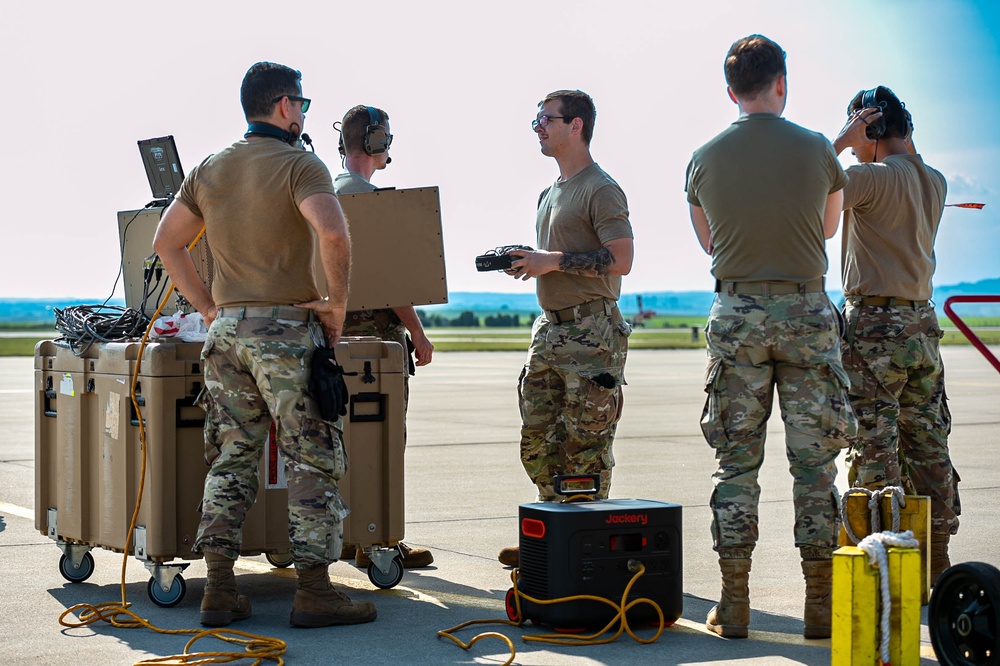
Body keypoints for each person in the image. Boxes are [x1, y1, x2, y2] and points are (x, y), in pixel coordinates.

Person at [152, 61, 376, 628]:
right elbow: (332, 231)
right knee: (311, 457)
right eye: (302, 104)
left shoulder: (211, 167)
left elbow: (165, 242)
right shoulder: (301, 164)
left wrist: (208, 308)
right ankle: (315, 591)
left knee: (232, 458)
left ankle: (220, 590)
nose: (303, 114)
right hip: (284, 333)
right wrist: (337, 304)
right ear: (284, 105)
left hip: (226, 333)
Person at [684, 35, 857, 639]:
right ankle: (819, 606)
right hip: (807, 312)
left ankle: (733, 606)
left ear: (731, 90)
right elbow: (830, 226)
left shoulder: (703, 158)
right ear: (781, 82)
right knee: (815, 469)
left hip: (736, 315)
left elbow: (709, 242)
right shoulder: (817, 150)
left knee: (736, 465)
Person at [498, 89, 634, 567]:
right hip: (551, 330)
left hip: (591, 332)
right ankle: (555, 532)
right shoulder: (550, 191)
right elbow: (558, 263)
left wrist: (550, 261)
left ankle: (584, 545)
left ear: (576, 125)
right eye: (536, 120)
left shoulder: (601, 188)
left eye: (546, 119)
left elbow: (622, 260)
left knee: (585, 445)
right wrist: (531, 263)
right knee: (538, 440)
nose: (539, 127)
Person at [832, 85, 960, 584]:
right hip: (922, 327)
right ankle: (938, 554)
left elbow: (808, 179)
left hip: (875, 330)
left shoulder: (870, 179)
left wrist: (842, 141)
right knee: (928, 443)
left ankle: (883, 560)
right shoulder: (937, 181)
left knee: (874, 446)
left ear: (873, 127)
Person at [332, 104, 434, 570]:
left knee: (339, 442)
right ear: (374, 143)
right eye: (385, 138)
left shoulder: (326, 194)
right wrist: (417, 333)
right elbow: (390, 282)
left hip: (331, 343)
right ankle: (379, 537)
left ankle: (346, 536)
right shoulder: (367, 199)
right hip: (374, 346)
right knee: (383, 441)